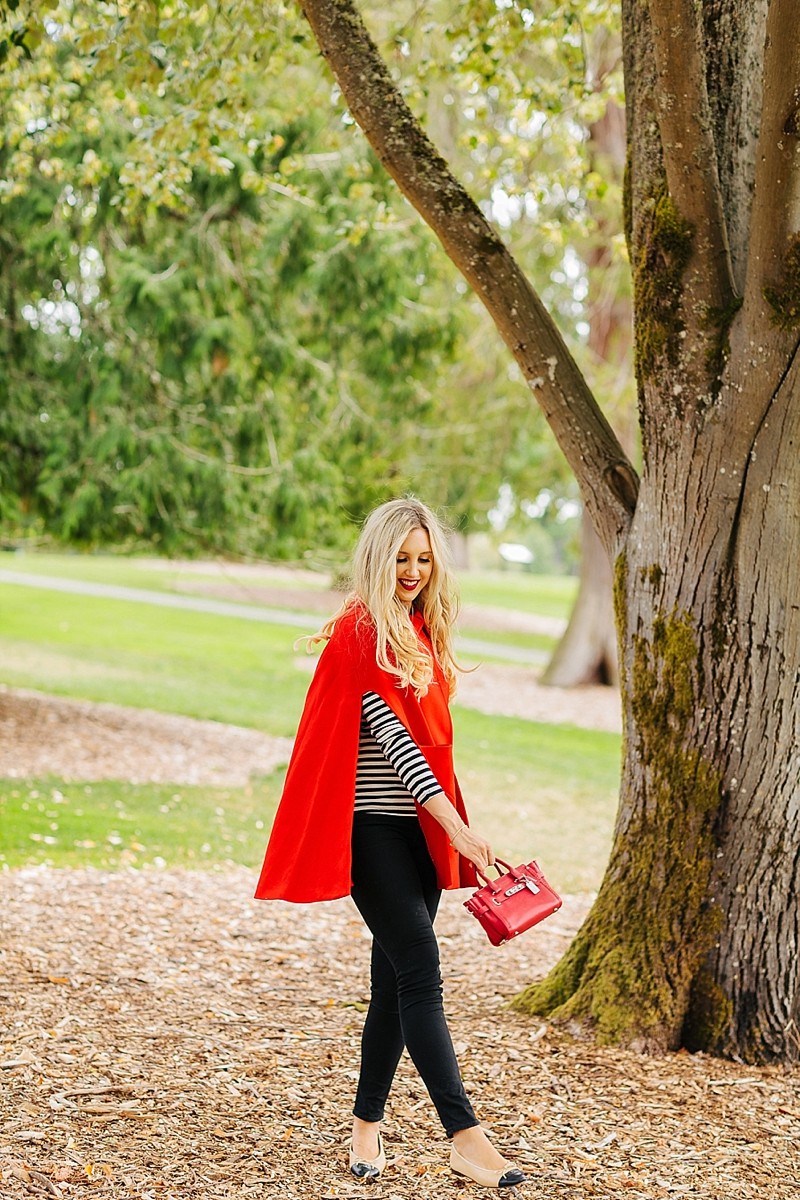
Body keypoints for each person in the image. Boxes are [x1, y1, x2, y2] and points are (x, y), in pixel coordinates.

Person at [254, 498, 526, 1190]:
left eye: (424, 558)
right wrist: (459, 826)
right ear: (378, 558)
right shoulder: (358, 632)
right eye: (401, 558)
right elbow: (400, 747)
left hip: (417, 837)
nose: (412, 571)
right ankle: (465, 1136)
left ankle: (364, 1128)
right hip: (368, 830)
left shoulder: (418, 631)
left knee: (393, 983)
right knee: (421, 968)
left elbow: (436, 745)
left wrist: (444, 826)